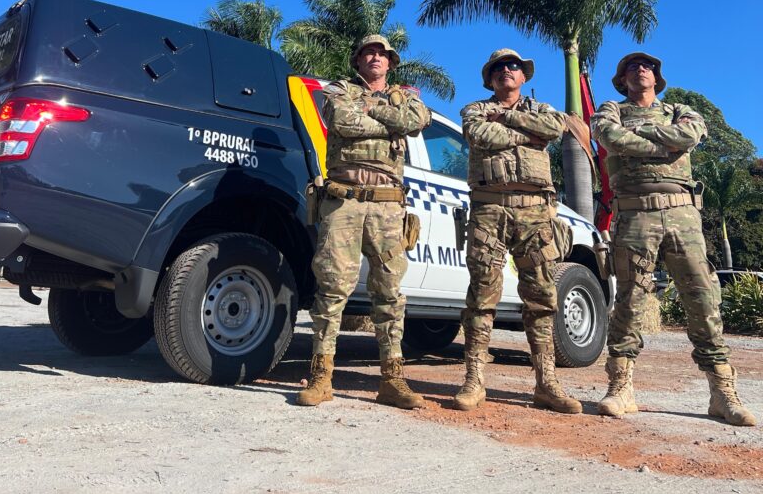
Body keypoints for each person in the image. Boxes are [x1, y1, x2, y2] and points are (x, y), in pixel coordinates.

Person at [591, 52, 755, 426]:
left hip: (683, 214)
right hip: (634, 212)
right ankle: (620, 387)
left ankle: (722, 392)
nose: (641, 69)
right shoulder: (611, 110)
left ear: (657, 77)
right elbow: (609, 137)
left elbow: (691, 134)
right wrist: (666, 146)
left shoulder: (680, 109)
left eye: (648, 66)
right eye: (632, 66)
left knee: (702, 296)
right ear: (621, 80)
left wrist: (642, 136)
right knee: (631, 298)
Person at [297, 35, 431, 409]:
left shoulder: (407, 97)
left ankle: (392, 380)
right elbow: (342, 120)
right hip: (344, 201)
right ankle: (322, 377)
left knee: (389, 292)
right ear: (358, 60)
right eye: (369, 52)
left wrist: (372, 111)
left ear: (390, 63)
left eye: (382, 54)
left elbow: (417, 120)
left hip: (388, 206)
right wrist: (390, 120)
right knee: (332, 288)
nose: (375, 57)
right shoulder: (339, 90)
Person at [455, 49, 581, 414]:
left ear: (523, 76)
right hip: (489, 209)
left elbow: (553, 128)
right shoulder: (475, 109)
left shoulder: (542, 109)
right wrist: (527, 134)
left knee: (541, 296)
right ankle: (474, 380)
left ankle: (547, 382)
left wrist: (507, 118)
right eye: (498, 67)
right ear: (489, 78)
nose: (506, 71)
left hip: (535, 212)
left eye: (513, 66)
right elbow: (479, 135)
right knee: (482, 294)